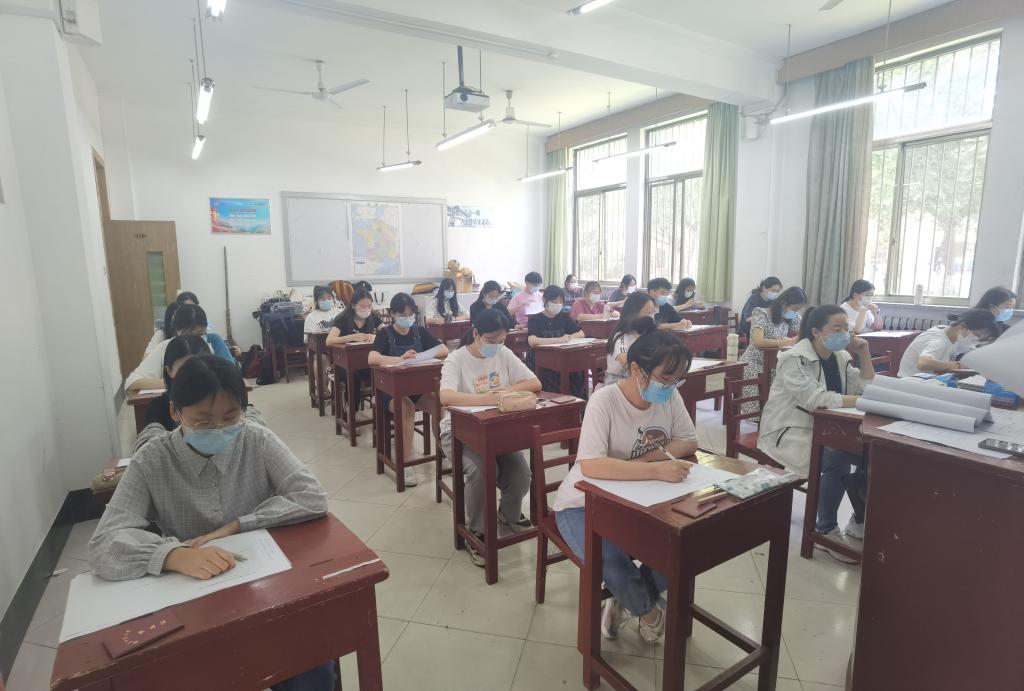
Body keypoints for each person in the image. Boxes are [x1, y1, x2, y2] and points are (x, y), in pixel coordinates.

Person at [89, 355, 334, 690]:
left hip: (261, 590)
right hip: (194, 599)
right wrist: (173, 555)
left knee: (313, 663)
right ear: (175, 412)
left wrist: (238, 524)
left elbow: (312, 496)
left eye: (230, 416)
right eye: (202, 421)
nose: (218, 429)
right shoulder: (153, 459)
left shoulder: (255, 439)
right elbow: (104, 542)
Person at [552, 330, 697, 643]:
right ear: (636, 370)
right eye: (666, 378)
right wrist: (655, 470)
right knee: (613, 563)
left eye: (678, 379)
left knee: (677, 551)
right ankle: (648, 611)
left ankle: (625, 597)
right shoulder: (604, 401)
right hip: (581, 504)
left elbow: (688, 440)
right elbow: (591, 466)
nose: (671, 386)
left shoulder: (670, 396)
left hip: (637, 499)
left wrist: (644, 461)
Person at [757, 305, 875, 562]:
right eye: (837, 328)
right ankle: (825, 529)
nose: (844, 333)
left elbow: (866, 387)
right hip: (789, 429)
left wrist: (865, 354)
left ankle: (858, 520)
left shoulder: (841, 356)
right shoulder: (794, 358)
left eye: (846, 328)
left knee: (873, 456)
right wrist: (861, 401)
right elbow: (815, 399)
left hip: (830, 427)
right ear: (815, 332)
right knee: (836, 456)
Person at [438, 309, 543, 566]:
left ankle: (508, 513)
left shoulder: (503, 354)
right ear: (476, 333)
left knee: (521, 474)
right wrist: (487, 399)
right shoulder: (456, 359)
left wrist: (507, 391)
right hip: (459, 433)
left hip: (496, 429)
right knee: (481, 471)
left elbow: (534, 383)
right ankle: (477, 531)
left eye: (501, 340)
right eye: (491, 340)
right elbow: (446, 397)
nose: (496, 345)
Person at [367, 293, 449, 486]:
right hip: (389, 392)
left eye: (411, 314)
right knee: (406, 408)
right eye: (403, 315)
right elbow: (372, 358)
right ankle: (405, 462)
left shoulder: (419, 331)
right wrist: (399, 359)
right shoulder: (385, 334)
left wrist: (420, 356)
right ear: (393, 314)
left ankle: (445, 453)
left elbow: (444, 350)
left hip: (416, 388)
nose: (408, 318)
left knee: (439, 405)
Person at [135, 336, 266, 453]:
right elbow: (148, 445)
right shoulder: (158, 407)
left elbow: (252, 420)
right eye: (185, 370)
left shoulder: (227, 396)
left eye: (202, 368)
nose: (196, 378)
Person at [125, 305, 233, 392]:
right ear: (177, 331)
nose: (193, 341)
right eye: (187, 335)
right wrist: (177, 382)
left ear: (206, 329)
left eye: (199, 334)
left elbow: (231, 375)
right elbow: (132, 382)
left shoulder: (211, 343)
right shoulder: (166, 347)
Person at [738, 286, 806, 413]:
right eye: (794, 309)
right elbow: (758, 342)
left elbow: (804, 332)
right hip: (753, 364)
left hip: (775, 363)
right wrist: (787, 341)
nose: (795, 313)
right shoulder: (761, 314)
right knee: (758, 410)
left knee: (783, 397)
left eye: (798, 310)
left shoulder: (791, 316)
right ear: (783, 303)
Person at [897, 309, 998, 377]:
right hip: (911, 385)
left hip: (925, 381)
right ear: (963, 326)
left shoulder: (950, 333)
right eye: (977, 335)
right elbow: (923, 363)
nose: (976, 340)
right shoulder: (939, 342)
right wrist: (958, 365)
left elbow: (972, 350)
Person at [527, 285, 586, 398]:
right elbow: (532, 341)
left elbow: (581, 333)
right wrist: (559, 340)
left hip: (562, 356)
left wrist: (569, 337)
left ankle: (575, 400)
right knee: (553, 374)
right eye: (554, 301)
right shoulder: (535, 319)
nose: (558, 305)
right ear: (545, 300)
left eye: (560, 302)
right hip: (541, 360)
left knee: (576, 369)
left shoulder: (564, 317)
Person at [604, 292, 657, 387]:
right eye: (649, 312)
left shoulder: (647, 334)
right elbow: (626, 362)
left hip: (639, 378)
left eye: (653, 312)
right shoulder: (620, 336)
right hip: (617, 381)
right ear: (633, 313)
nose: (651, 316)